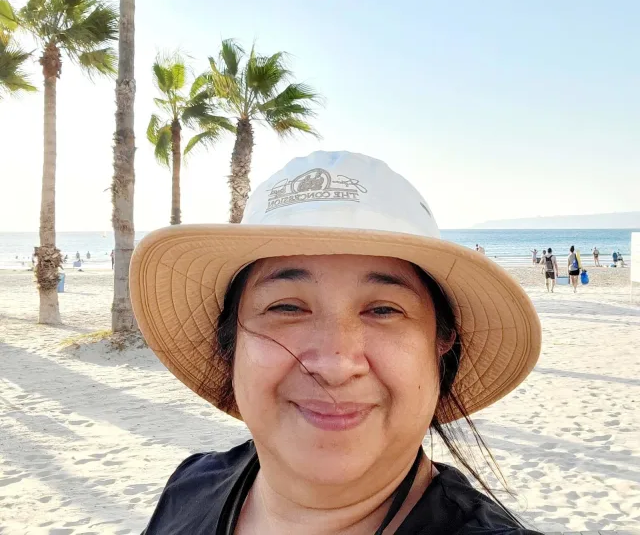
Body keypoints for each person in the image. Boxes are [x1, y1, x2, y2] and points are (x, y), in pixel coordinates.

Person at [130, 151, 542, 535]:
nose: (335, 364)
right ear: (229, 342)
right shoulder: (190, 486)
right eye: (287, 307)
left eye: (383, 310)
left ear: (442, 344)